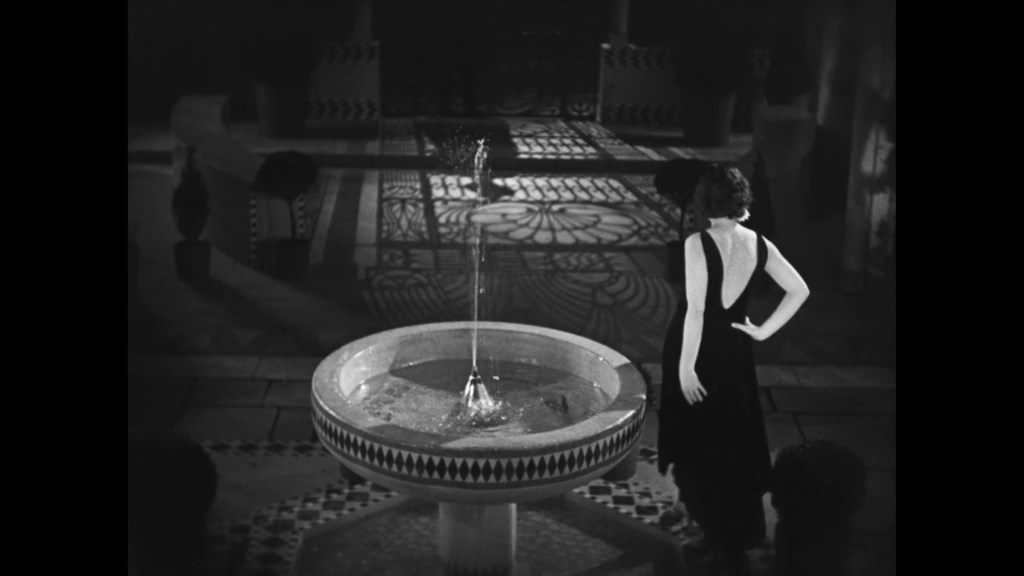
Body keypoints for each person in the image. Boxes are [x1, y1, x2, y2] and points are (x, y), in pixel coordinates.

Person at [657, 164, 810, 567]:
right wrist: (763, 331)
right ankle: (704, 519)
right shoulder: (758, 243)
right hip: (734, 350)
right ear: (741, 199)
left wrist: (686, 368)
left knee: (693, 433)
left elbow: (696, 311)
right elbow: (799, 289)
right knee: (728, 433)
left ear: (704, 199)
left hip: (695, 348)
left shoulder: (697, 243)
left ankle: (705, 526)